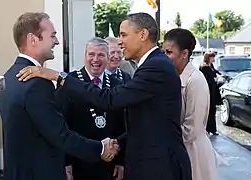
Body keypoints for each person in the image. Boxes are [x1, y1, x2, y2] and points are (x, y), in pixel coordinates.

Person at [17, 12, 192, 180]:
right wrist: (114, 144)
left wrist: (59, 76)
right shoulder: (153, 65)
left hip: (159, 168)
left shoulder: (155, 67)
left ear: (143, 35)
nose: (120, 42)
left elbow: (110, 99)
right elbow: (142, 123)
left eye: (124, 35)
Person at [0, 12, 118, 180]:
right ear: (33, 39)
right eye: (52, 35)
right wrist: (101, 149)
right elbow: (60, 134)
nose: (57, 41)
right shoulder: (36, 83)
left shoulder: (9, 76)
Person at [57, 37, 126, 180]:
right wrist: (65, 163)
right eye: (91, 54)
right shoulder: (69, 83)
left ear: (107, 58)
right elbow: (61, 126)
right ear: (85, 56)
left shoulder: (117, 85)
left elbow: (122, 126)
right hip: (78, 163)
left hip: (109, 163)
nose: (96, 59)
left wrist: (121, 161)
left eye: (101, 55)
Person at [163, 28, 218, 180]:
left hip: (192, 151)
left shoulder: (195, 80)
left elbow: (191, 128)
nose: (165, 57)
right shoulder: (174, 76)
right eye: (163, 52)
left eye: (169, 52)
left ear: (185, 54)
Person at [199, 52, 221, 135]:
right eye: (212, 57)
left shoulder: (211, 66)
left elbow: (215, 72)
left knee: (213, 110)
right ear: (208, 57)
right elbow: (208, 76)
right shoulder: (204, 66)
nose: (213, 59)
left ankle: (212, 129)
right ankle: (206, 128)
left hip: (213, 90)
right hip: (207, 90)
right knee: (208, 110)